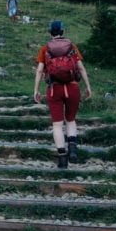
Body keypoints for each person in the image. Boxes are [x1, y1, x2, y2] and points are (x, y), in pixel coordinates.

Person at [32, 20, 92, 168]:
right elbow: (81, 68)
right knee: (70, 120)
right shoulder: (72, 47)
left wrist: (36, 90)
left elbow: (40, 70)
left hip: (54, 89)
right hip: (72, 88)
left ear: (49, 32)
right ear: (63, 32)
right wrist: (88, 87)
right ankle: (72, 148)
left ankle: (62, 159)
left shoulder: (45, 49)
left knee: (57, 124)